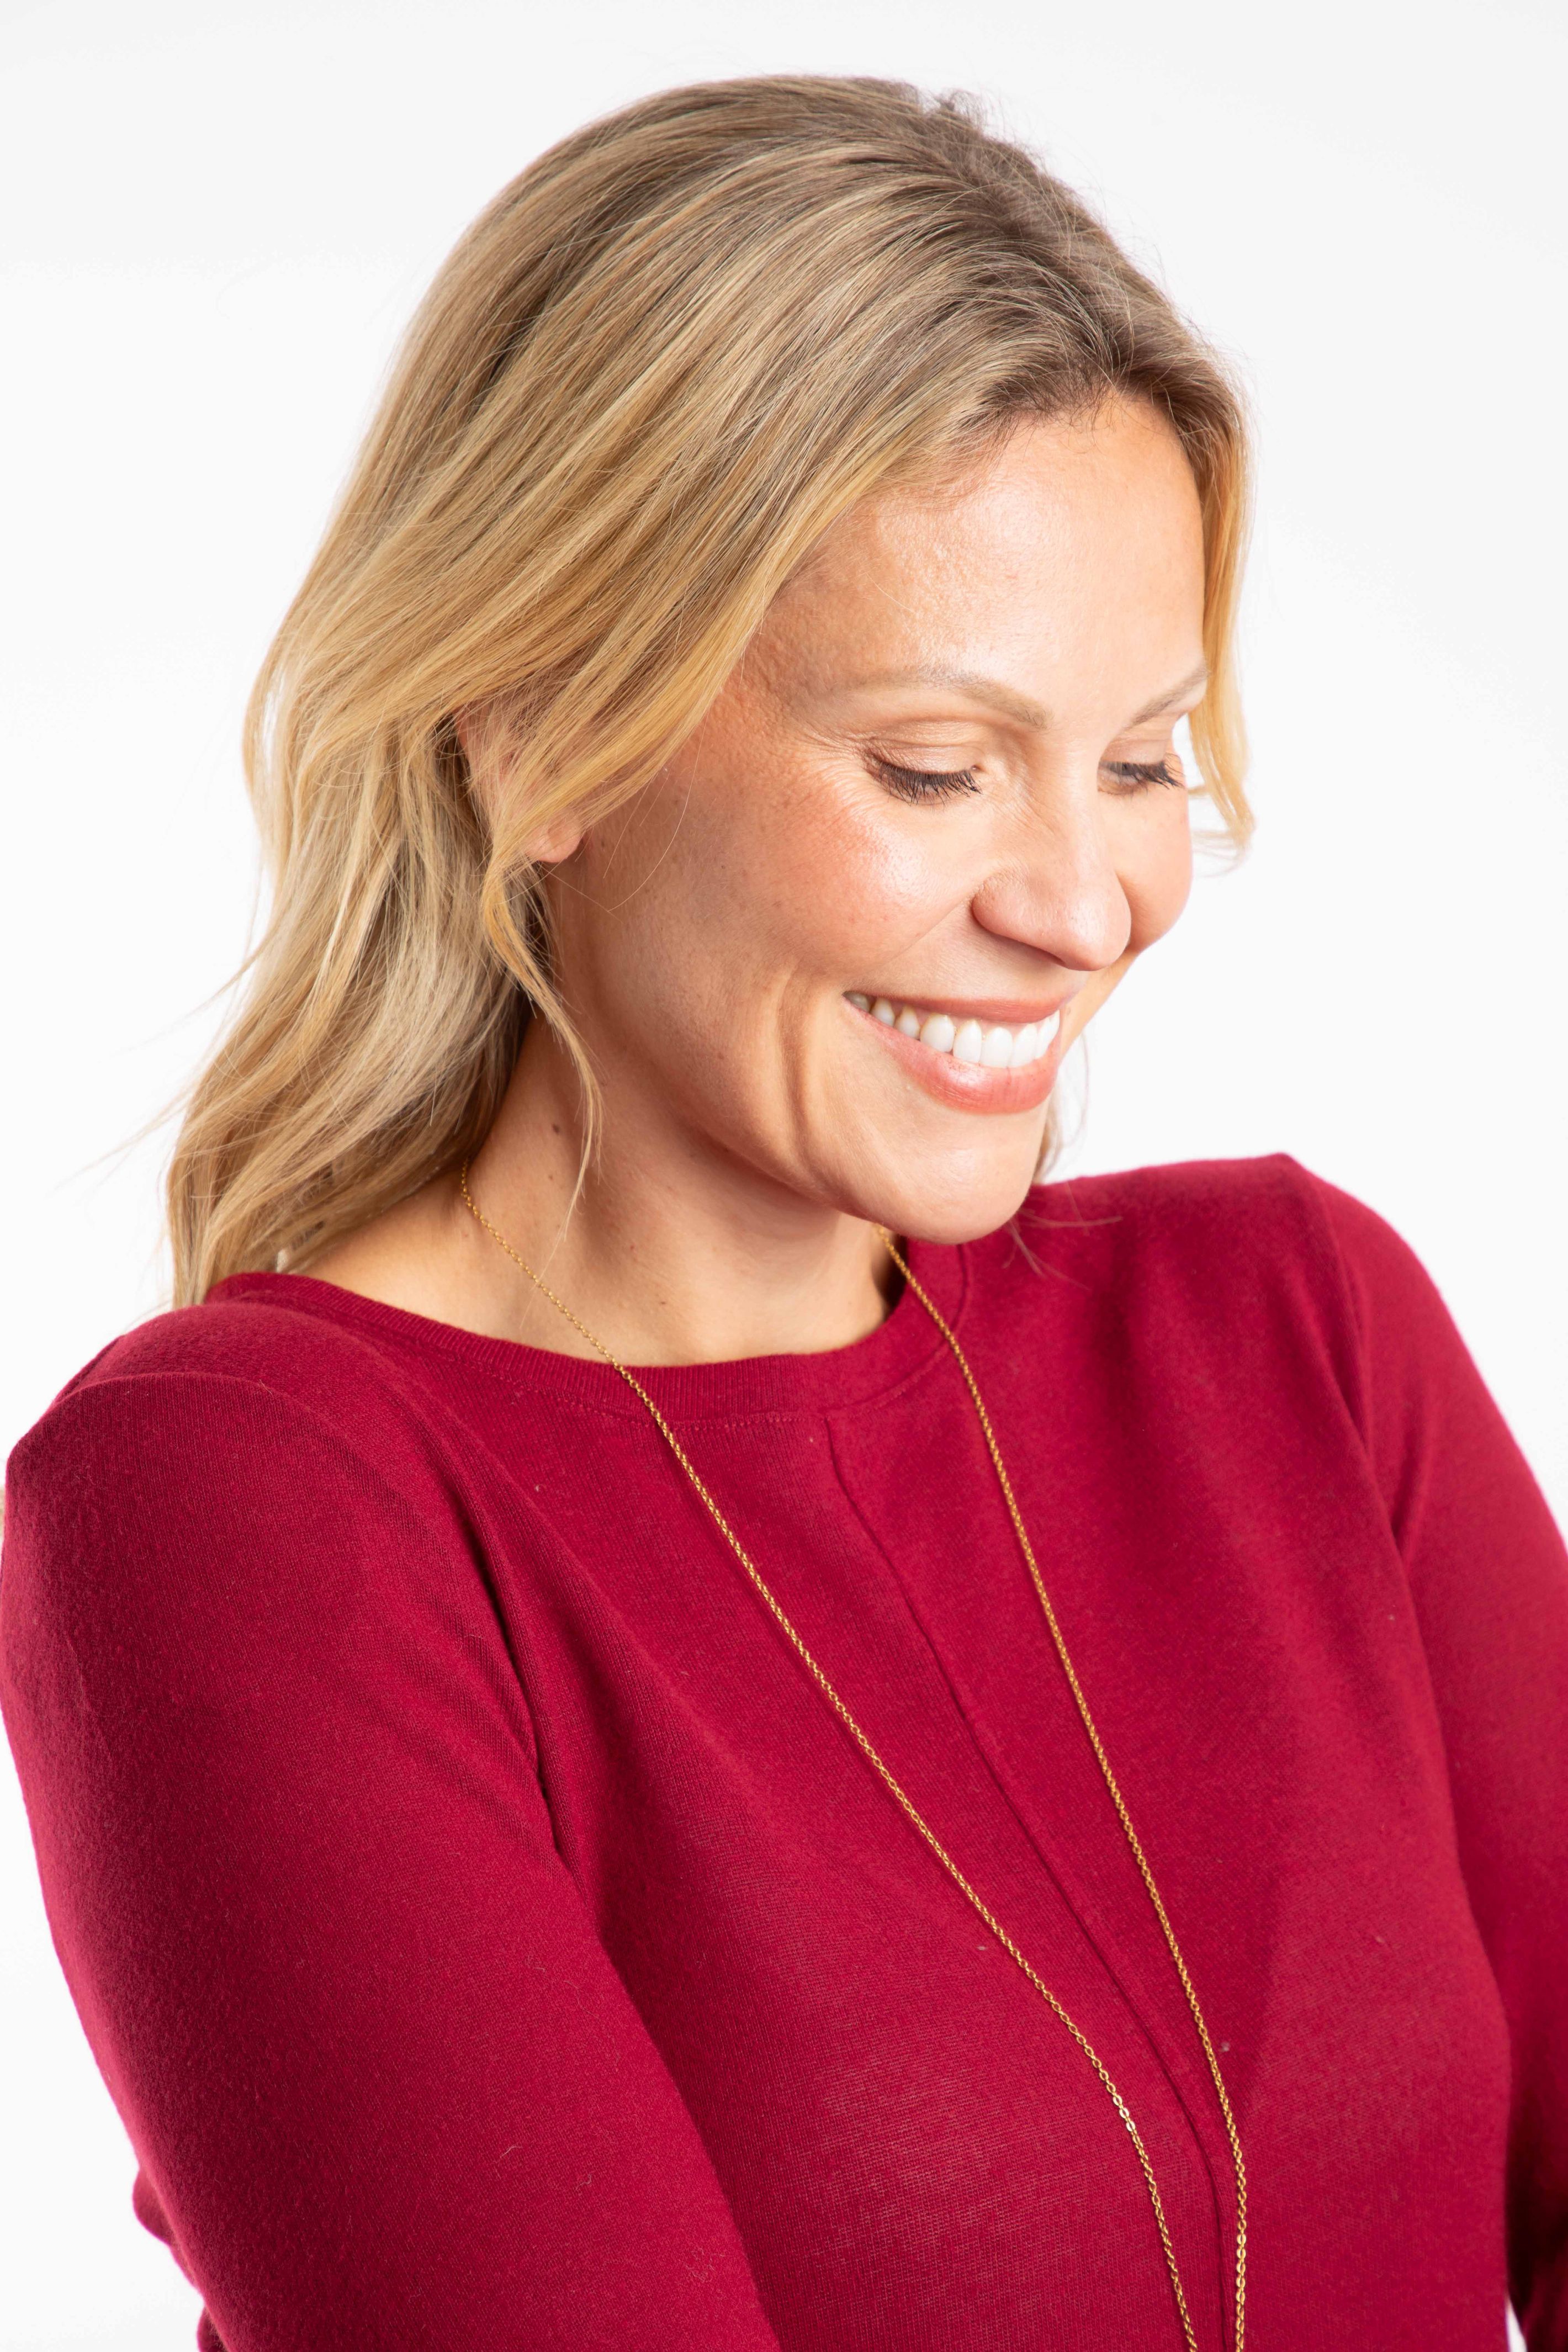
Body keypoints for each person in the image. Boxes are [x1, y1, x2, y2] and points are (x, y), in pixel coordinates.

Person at [2, 73, 1563, 2352]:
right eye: (934, 766)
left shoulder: (1295, 1328)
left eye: (1141, 759)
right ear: (538, 730)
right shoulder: (249, 1502)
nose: (1084, 904)